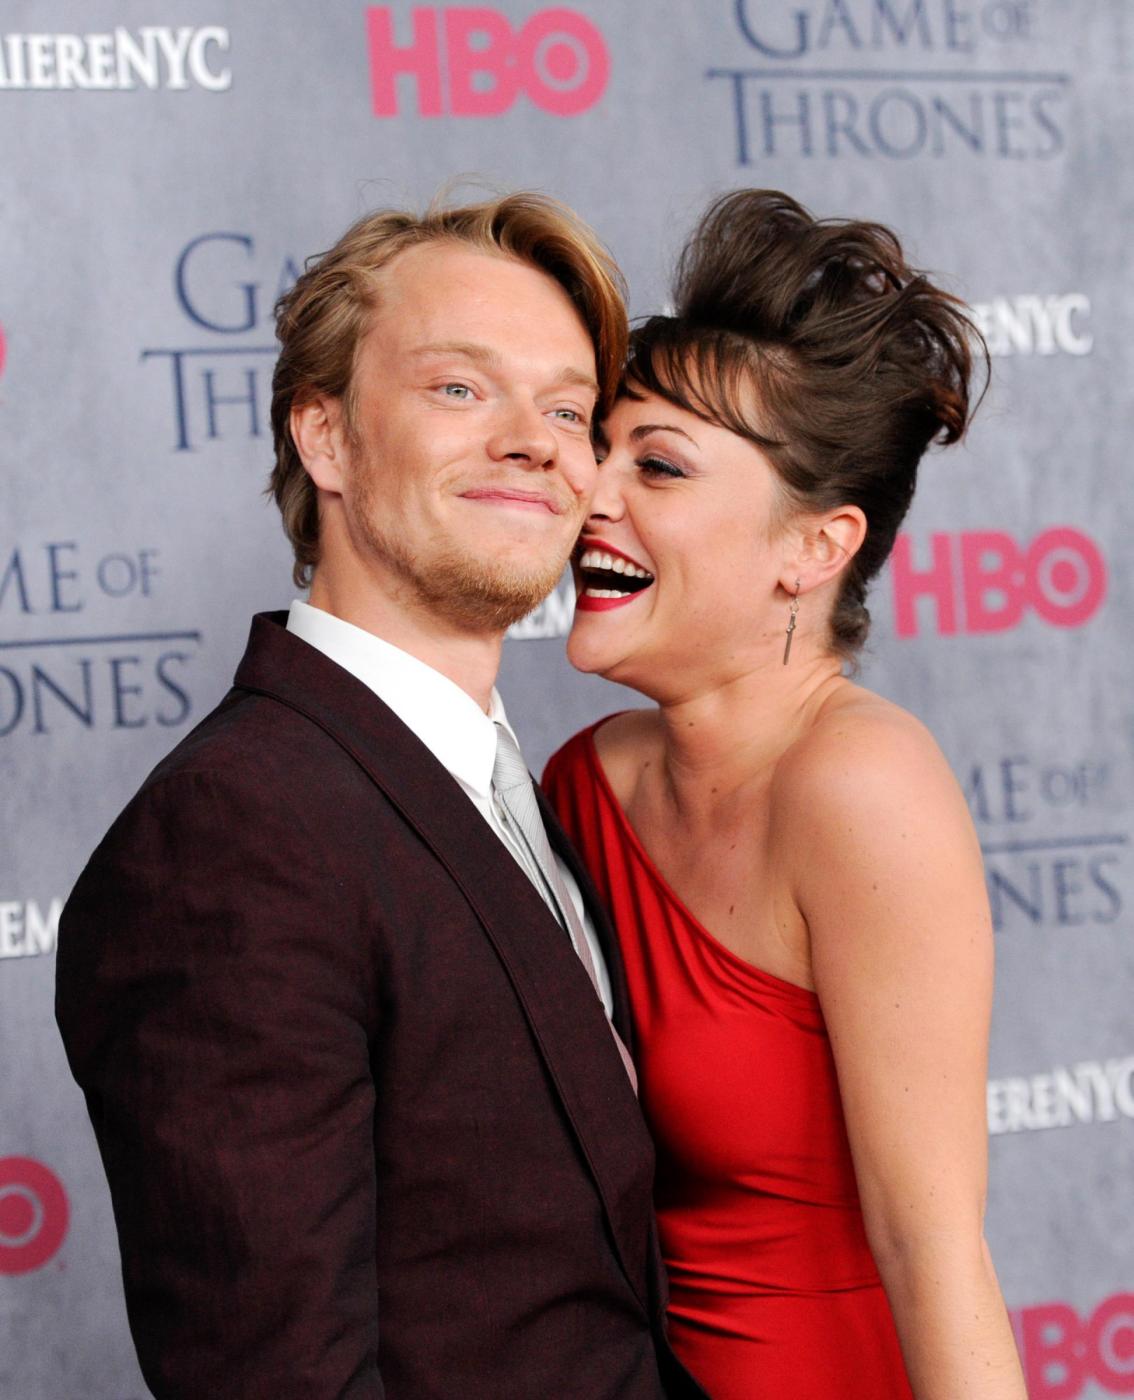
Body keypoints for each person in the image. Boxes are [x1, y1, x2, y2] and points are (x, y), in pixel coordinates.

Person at [56, 193, 705, 1400]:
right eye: (461, 388)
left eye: (569, 409)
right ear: (326, 438)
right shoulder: (231, 832)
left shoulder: (519, 795)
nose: (535, 442)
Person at [543, 190, 1028, 1400]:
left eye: (658, 464)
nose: (589, 492)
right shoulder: (580, 781)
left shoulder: (861, 784)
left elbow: (932, 1248)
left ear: (814, 548)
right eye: (603, 447)